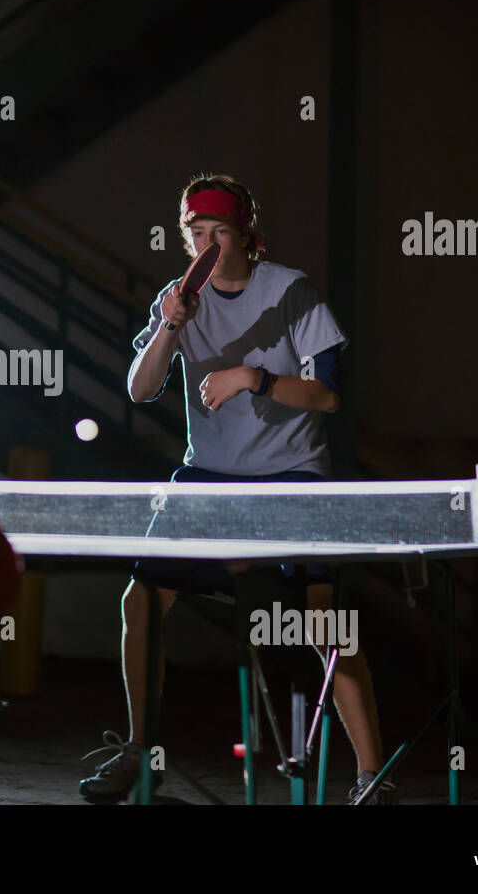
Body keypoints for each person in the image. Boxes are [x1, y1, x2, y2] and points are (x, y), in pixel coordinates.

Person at [79, 173, 396, 805]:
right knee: (140, 599)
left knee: (323, 621)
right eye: (197, 233)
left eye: (220, 232)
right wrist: (170, 326)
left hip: (294, 477)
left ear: (247, 235)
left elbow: (328, 395)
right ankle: (143, 753)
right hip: (209, 478)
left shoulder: (291, 291)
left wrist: (254, 376)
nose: (209, 245)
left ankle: (371, 777)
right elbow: (140, 391)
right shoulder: (178, 299)